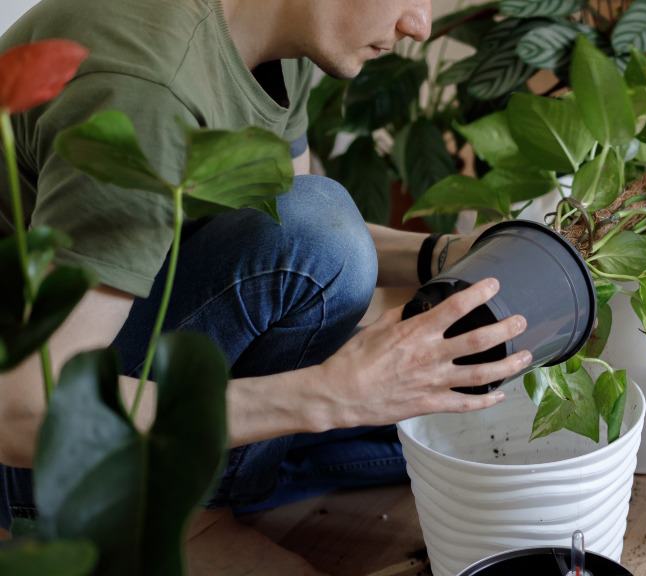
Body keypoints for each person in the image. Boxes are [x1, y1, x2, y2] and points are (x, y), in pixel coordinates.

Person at [0, 0, 528, 567]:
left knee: (441, 428)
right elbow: (23, 412)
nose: (420, 25)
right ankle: (180, 521)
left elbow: (284, 234)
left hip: (125, 354)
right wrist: (331, 396)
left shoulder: (280, 38)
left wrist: (440, 254)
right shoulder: (148, 94)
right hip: (36, 459)